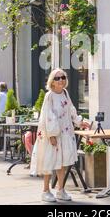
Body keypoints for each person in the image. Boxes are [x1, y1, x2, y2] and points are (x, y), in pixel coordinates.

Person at [30, 68, 90, 202]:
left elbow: (71, 109)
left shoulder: (65, 93)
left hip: (66, 132)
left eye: (62, 77)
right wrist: (51, 135)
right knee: (49, 161)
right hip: (53, 134)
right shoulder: (49, 95)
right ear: (52, 81)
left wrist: (80, 122)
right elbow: (47, 116)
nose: (61, 80)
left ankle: (60, 190)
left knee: (63, 162)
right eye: (57, 78)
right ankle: (45, 191)